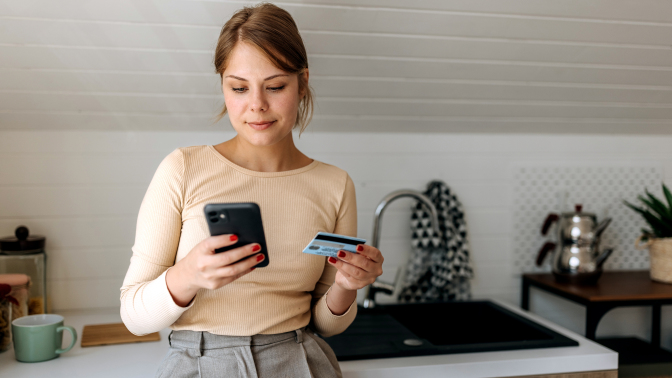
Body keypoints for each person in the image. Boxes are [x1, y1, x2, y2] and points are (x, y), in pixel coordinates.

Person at [119, 3, 384, 377]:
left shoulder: (334, 184)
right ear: (223, 86)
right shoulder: (183, 168)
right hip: (198, 363)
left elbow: (328, 324)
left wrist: (346, 285)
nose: (257, 106)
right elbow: (133, 316)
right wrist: (188, 275)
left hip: (299, 360)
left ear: (302, 82)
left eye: (275, 86)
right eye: (239, 88)